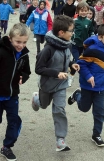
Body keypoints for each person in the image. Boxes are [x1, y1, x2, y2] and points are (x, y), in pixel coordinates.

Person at [0, 23, 31, 161]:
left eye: (24, 42)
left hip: (12, 95)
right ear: (10, 39)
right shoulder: (1, 53)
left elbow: (27, 71)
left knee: (13, 121)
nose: (21, 45)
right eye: (18, 42)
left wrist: (23, 77)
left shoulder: (24, 55)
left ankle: (7, 147)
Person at [32, 15, 80, 152]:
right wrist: (56, 73)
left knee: (59, 109)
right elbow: (38, 69)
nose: (73, 33)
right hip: (47, 84)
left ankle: (60, 139)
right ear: (61, 33)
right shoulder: (48, 49)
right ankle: (37, 99)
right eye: (71, 31)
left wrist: (72, 64)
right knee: (44, 105)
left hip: (61, 85)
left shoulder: (67, 44)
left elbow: (66, 59)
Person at [67, 24, 104, 147]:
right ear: (100, 37)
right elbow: (81, 64)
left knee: (99, 111)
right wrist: (89, 76)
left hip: (101, 87)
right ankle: (77, 95)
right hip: (88, 86)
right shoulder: (92, 50)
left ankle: (96, 135)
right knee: (84, 108)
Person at [69, 2, 94, 86]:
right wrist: (71, 36)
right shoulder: (74, 21)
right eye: (82, 10)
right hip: (74, 45)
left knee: (80, 61)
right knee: (78, 61)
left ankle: (71, 71)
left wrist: (93, 39)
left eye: (85, 11)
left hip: (84, 46)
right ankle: (72, 78)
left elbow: (91, 32)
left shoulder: (89, 22)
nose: (83, 12)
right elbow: (70, 31)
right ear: (77, 11)